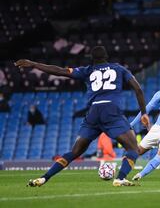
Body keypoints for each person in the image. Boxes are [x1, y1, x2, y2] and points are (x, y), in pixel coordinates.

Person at [15, 46, 150, 187]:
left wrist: (34, 64)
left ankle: (44, 178)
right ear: (107, 56)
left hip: (93, 112)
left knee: (74, 152)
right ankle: (120, 178)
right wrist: (144, 113)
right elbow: (138, 89)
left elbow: (60, 71)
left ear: (92, 59)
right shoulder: (119, 68)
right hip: (111, 111)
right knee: (133, 149)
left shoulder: (87, 70)